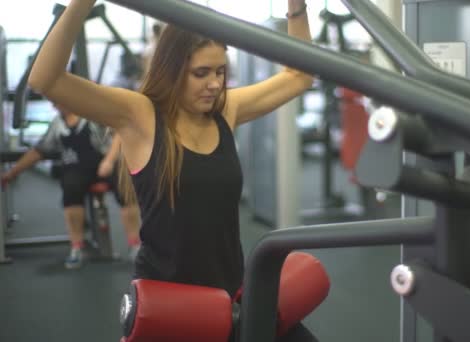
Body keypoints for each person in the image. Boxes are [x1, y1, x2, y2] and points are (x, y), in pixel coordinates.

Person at [28, 0, 316, 340]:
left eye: (220, 72)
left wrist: (296, 6)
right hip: (169, 302)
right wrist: (80, 4)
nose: (214, 84)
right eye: (201, 73)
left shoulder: (226, 110)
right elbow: (46, 79)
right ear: (173, 69)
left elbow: (299, 76)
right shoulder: (140, 115)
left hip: (231, 292)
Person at [1, 103, 141, 269]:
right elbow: (38, 151)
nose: (55, 104)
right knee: (70, 187)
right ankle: (77, 248)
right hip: (76, 169)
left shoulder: (92, 115)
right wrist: (12, 173)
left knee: (125, 187)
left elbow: (119, 131)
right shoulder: (56, 124)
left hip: (103, 164)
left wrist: (109, 161)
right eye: (53, 102)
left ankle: (135, 245)